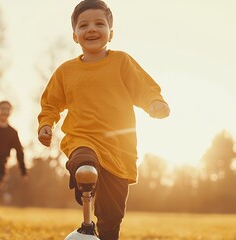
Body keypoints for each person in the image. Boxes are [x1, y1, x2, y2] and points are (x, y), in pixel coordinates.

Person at [37, 0, 170, 239]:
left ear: (111, 32)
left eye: (100, 24)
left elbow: (142, 87)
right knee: (85, 164)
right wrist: (46, 124)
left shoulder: (121, 62)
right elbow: (51, 103)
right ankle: (85, 195)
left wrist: (154, 103)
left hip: (120, 150)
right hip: (82, 139)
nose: (91, 29)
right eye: (83, 25)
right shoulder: (66, 71)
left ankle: (103, 231)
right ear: (75, 36)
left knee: (112, 216)